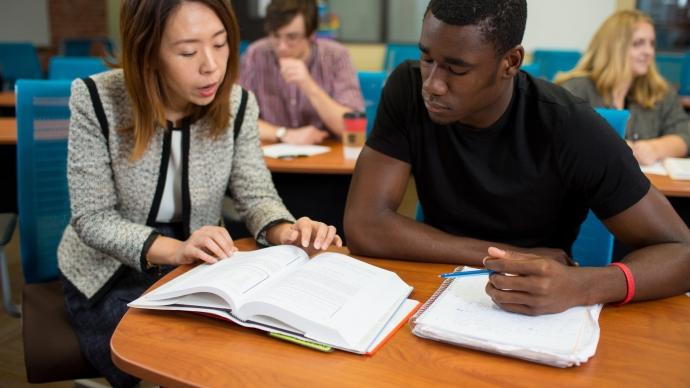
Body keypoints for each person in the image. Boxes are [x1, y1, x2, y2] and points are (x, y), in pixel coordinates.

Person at [344, 0, 690, 317]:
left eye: (456, 69)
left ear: (510, 63)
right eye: (427, 58)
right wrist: (503, 255)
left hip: (535, 309)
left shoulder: (570, 126)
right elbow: (365, 224)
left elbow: (681, 251)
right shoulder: (407, 88)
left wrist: (583, 284)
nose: (432, 84)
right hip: (435, 289)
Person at [58, 1, 341, 386]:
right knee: (169, 361)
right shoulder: (97, 99)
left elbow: (257, 196)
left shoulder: (237, 104)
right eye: (188, 51)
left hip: (198, 268)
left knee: (239, 357)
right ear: (148, 51)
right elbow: (92, 219)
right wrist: (175, 250)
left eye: (221, 44)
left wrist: (285, 230)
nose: (211, 65)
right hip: (107, 273)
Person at [556, 10, 690, 166]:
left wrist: (654, 149)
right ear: (614, 47)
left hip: (648, 185)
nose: (649, 52)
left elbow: (684, 135)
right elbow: (560, 143)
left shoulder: (661, 91)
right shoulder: (577, 89)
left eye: (652, 43)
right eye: (638, 43)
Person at [239, 0, 364, 144]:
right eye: (275, 36)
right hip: (274, 156)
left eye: (292, 37)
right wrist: (283, 134)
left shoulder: (336, 56)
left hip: (327, 156)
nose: (282, 47)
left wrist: (308, 86)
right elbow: (239, 119)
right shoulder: (255, 54)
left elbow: (354, 129)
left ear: (311, 35)